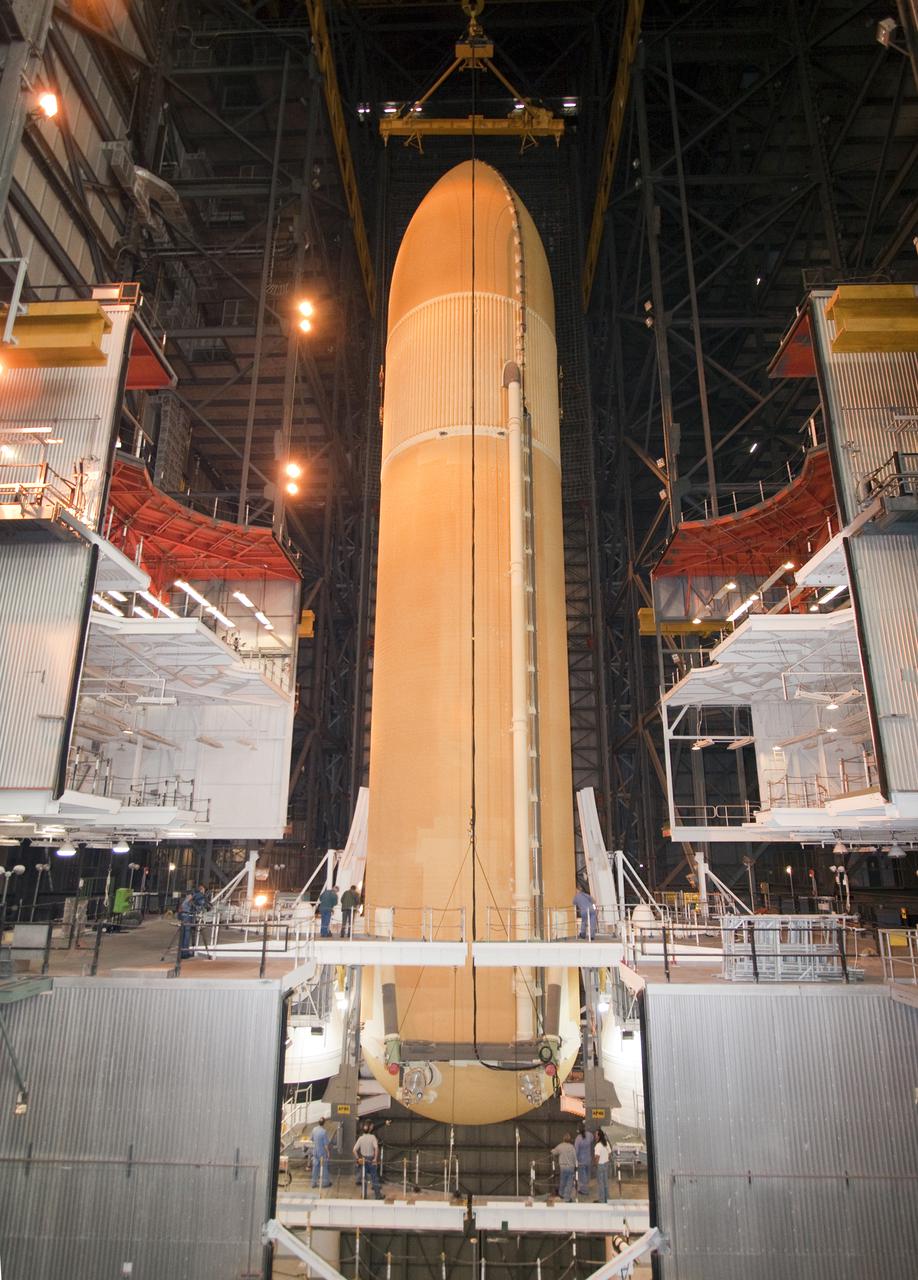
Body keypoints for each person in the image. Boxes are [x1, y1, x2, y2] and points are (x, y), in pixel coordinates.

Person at [353, 1122, 384, 1200]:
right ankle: (378, 1195)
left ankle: (364, 1195)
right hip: (371, 1160)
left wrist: (358, 1159)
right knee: (374, 1178)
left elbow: (354, 1150)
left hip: (363, 1160)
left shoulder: (360, 1138)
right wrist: (375, 1159)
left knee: (364, 1178)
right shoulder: (373, 1137)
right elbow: (376, 1148)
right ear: (369, 1129)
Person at [551, 1133, 577, 1202]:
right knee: (569, 1183)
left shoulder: (560, 1146)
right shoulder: (572, 1147)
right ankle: (567, 1198)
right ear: (570, 1139)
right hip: (571, 1167)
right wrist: (575, 1166)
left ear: (563, 1139)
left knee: (562, 1181)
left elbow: (553, 1152)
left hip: (563, 1167)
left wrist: (552, 1150)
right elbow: (575, 1157)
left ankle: (561, 1195)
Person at [310, 1117, 332, 1188]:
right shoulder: (324, 1132)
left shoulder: (314, 1129)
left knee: (315, 1167)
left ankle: (313, 1183)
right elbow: (325, 1145)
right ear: (324, 1123)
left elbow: (311, 1139)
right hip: (322, 1152)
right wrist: (328, 1152)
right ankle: (325, 1183)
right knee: (324, 1167)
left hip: (315, 1152)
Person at [574, 1125, 594, 1195]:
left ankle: (584, 1190)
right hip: (588, 1159)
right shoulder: (589, 1135)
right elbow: (592, 1140)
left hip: (581, 1161)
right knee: (587, 1175)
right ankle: (586, 1187)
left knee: (582, 1176)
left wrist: (575, 1160)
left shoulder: (578, 1138)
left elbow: (576, 1151)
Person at [176, 891, 196, 959]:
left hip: (184, 916)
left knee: (183, 935)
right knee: (186, 935)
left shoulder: (185, 900)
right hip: (187, 916)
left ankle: (182, 952)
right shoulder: (188, 899)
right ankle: (185, 953)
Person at [594, 1129, 611, 1203]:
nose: (595, 1136)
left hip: (600, 1165)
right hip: (606, 1164)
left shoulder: (598, 1145)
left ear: (599, 1136)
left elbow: (597, 1157)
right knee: (605, 1182)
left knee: (600, 1183)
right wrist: (606, 1159)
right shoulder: (606, 1143)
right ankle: (607, 1199)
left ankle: (602, 1200)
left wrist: (596, 1165)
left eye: (596, 1134)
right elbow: (609, 1153)